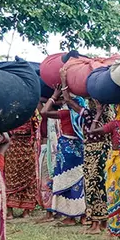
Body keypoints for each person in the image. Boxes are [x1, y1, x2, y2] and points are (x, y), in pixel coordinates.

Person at [88, 103, 120, 238]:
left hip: (117, 163)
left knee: (114, 192)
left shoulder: (115, 124)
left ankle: (118, 228)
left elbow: (92, 131)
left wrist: (98, 113)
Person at [40, 86, 86, 226]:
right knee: (79, 181)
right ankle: (83, 215)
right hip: (80, 148)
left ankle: (70, 217)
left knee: (65, 181)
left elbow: (44, 111)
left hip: (66, 149)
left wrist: (54, 96)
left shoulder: (66, 114)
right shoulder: (85, 114)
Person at [81, 99, 111, 233]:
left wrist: (98, 113)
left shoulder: (107, 115)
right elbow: (69, 100)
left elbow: (94, 131)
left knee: (95, 185)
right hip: (94, 153)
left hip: (98, 153)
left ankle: (96, 224)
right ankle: (101, 222)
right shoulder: (86, 113)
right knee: (97, 185)